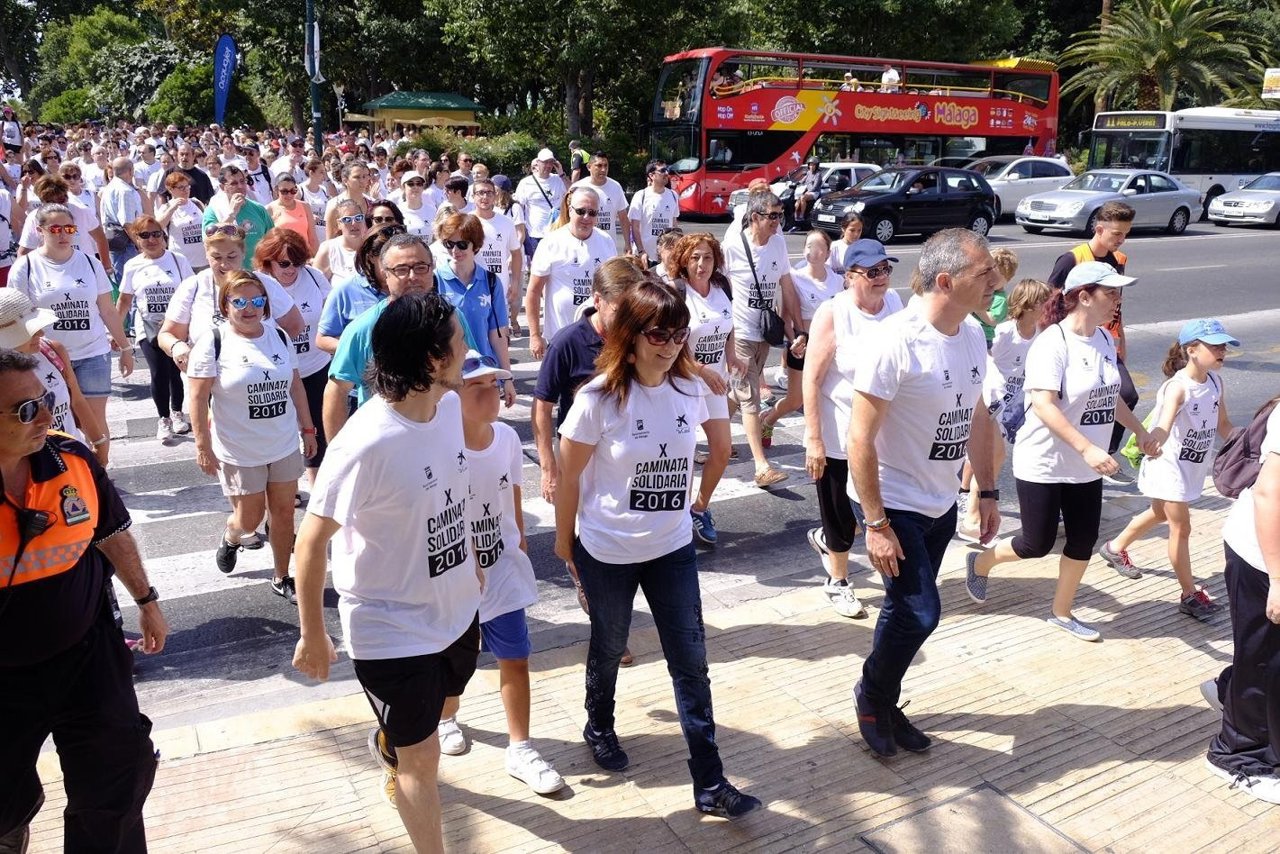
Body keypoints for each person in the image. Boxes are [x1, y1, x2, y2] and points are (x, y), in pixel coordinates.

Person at [554, 279, 762, 819]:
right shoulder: (597, 399)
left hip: (671, 548)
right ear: (631, 334)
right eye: (657, 333)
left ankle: (711, 783)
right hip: (607, 550)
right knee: (609, 645)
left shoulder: (694, 387)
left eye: (678, 333)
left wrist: (700, 502)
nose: (669, 344)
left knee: (691, 663)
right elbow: (569, 477)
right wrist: (564, 544)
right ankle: (599, 723)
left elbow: (722, 448)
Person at [293, 292, 482, 852]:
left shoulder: (448, 408)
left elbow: (453, 491)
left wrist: (469, 557)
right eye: (459, 341)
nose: (467, 347)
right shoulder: (363, 442)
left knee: (449, 708)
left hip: (455, 613)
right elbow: (309, 546)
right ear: (431, 360)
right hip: (390, 631)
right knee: (421, 761)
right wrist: (313, 633)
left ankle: (394, 739)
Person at [0, 348, 168, 854]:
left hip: (86, 653)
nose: (47, 416)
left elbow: (111, 533)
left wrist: (146, 598)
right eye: (26, 410)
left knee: (116, 779)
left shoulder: (71, 459)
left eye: (45, 400)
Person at [848, 228, 1002, 757]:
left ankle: (885, 702)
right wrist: (875, 524)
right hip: (893, 500)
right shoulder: (896, 341)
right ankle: (872, 696)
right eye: (984, 273)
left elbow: (978, 418)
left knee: (904, 609)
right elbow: (859, 437)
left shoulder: (974, 335)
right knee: (919, 611)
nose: (997, 281)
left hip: (940, 499)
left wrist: (987, 491)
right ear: (945, 280)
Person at [966, 262, 1159, 642]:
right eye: (1111, 293)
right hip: (1045, 462)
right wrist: (1087, 447)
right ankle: (982, 561)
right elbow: (1043, 404)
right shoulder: (1052, 342)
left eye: (1119, 292)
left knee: (1083, 539)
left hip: (1086, 465)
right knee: (1035, 544)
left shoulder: (1103, 339)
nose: (1117, 300)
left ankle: (1062, 611)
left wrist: (1141, 431)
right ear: (1083, 297)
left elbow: (1110, 395)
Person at [414, 349, 566, 794]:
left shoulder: (505, 440)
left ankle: (521, 747)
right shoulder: (438, 449)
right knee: (452, 662)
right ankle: (447, 717)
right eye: (476, 387)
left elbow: (512, 496)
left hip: (502, 571)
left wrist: (517, 538)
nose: (491, 395)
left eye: (495, 386)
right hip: (454, 576)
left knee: (515, 658)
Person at [187, 270, 316, 599]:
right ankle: (232, 537)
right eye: (239, 301)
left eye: (257, 300)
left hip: (283, 442)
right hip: (239, 450)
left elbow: (296, 384)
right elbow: (199, 397)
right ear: (225, 304)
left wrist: (308, 428)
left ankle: (281, 576)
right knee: (250, 518)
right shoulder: (213, 342)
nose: (249, 308)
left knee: (285, 513)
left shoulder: (280, 337)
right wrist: (202, 445)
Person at [1100, 319, 1237, 619]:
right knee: (1181, 527)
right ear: (1191, 350)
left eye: (1223, 345)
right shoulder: (1177, 388)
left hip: (1190, 466)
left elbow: (1224, 426)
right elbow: (1162, 426)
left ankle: (1114, 547)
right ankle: (1189, 595)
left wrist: (1254, 442)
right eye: (1214, 345)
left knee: (1160, 514)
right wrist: (1152, 443)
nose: (1222, 350)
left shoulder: (1215, 382)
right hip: (1168, 466)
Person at [802, 238, 904, 619]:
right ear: (849, 277)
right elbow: (810, 379)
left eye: (886, 270)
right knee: (842, 516)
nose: (881, 279)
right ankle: (838, 580)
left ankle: (829, 543)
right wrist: (813, 439)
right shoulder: (834, 313)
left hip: (880, 432)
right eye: (872, 272)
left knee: (876, 508)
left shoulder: (894, 305)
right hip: (839, 432)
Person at [8, 203, 133, 455]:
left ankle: (99, 474)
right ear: (39, 230)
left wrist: (126, 346)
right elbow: (17, 317)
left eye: (69, 228)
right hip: (45, 358)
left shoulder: (89, 263)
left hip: (92, 353)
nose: (63, 234)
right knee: (56, 419)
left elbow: (107, 309)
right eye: (55, 228)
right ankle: (64, 471)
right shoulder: (26, 266)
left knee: (95, 420)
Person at [1205, 391, 1280, 804]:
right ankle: (1237, 755)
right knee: (1266, 659)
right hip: (1262, 554)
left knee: (1263, 658)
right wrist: (1278, 578)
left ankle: (1227, 687)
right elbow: (1270, 495)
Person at [324, 233, 466, 437]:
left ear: (432, 267)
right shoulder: (362, 328)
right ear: (385, 274)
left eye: (420, 267)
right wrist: (337, 455)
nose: (412, 277)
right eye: (401, 269)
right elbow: (337, 391)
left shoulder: (453, 319)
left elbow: (468, 376)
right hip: (384, 442)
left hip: (444, 437)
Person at [956, 278, 1053, 540]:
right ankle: (971, 516)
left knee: (990, 459)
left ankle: (968, 501)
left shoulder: (1039, 334)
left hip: (1016, 405)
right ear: (1030, 304)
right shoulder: (1006, 332)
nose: (1048, 307)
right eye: (1044, 302)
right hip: (991, 403)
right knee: (992, 459)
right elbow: (983, 360)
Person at [1047, 201, 1138, 471]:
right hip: (1074, 343)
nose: (1122, 240)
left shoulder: (1118, 261)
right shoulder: (1071, 259)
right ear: (1099, 229)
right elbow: (1051, 302)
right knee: (1071, 400)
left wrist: (1120, 341)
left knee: (1126, 394)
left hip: (1106, 341)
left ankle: (1105, 451)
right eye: (1117, 234)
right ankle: (1075, 448)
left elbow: (1117, 306)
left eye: (1125, 234)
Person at [721, 191, 799, 488]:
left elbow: (786, 285)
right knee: (749, 397)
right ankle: (761, 466)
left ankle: (717, 441)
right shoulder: (732, 246)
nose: (779, 222)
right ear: (754, 218)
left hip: (765, 331)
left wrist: (794, 330)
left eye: (781, 215)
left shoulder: (778, 243)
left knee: (737, 392)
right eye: (773, 216)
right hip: (740, 331)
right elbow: (719, 286)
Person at [672, 234, 742, 546]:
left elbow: (727, 328)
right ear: (684, 262)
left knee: (723, 450)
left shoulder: (722, 288)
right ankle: (675, 519)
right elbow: (671, 345)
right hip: (683, 383)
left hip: (715, 383)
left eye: (708, 258)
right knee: (683, 456)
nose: (701, 264)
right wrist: (701, 370)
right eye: (695, 258)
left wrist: (731, 356)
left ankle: (699, 508)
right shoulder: (676, 293)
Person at [158, 225, 304, 375]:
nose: (224, 264)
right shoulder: (192, 286)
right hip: (207, 381)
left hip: (257, 380)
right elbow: (166, 334)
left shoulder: (265, 284)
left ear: (243, 253)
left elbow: (295, 325)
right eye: (217, 257)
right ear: (206, 254)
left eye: (231, 256)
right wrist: (177, 346)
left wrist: (270, 350)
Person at [253, 229, 332, 486]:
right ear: (268, 261)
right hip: (276, 371)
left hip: (315, 365)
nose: (291, 269)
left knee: (316, 428)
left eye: (297, 262)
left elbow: (331, 316)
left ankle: (317, 486)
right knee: (281, 430)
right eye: (284, 263)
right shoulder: (258, 284)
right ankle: (285, 486)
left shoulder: (315, 277)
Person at [116, 215, 196, 443]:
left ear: (164, 236)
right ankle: (164, 418)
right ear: (136, 239)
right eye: (145, 235)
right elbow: (124, 301)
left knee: (175, 371)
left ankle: (178, 412)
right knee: (158, 372)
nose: (151, 239)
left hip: (176, 327)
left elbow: (192, 291)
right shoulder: (133, 265)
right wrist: (116, 331)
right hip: (147, 327)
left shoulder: (178, 260)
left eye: (156, 234)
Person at [0, 290, 106, 457]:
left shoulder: (52, 351)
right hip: (27, 467)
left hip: (72, 456)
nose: (41, 333)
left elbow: (77, 401)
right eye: (31, 330)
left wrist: (99, 442)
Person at [760, 230, 840, 448]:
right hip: (802, 347)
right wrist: (794, 340)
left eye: (818, 247)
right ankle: (767, 419)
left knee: (828, 396)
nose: (812, 251)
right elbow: (786, 316)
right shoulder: (795, 278)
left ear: (827, 253)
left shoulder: (838, 281)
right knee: (796, 399)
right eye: (808, 246)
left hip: (831, 349)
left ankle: (826, 444)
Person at [525, 187, 617, 360]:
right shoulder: (551, 242)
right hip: (560, 338)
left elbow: (614, 289)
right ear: (570, 209)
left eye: (592, 212)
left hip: (598, 337)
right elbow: (534, 291)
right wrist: (535, 335)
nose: (586, 218)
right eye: (581, 211)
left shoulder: (606, 241)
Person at [435, 213, 514, 402]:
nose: (456, 250)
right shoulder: (433, 280)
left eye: (462, 244)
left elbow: (497, 335)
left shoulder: (491, 281)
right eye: (449, 244)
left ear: (476, 246)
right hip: (447, 374)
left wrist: (508, 378)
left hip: (482, 372)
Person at [315, 225, 404, 355]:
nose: (396, 266)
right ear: (371, 256)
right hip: (362, 372)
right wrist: (359, 349)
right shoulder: (345, 290)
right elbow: (322, 340)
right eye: (388, 260)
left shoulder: (412, 286)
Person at [471, 178, 523, 336]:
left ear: (495, 196)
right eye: (480, 193)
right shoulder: (467, 221)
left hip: (500, 287)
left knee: (500, 335)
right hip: (474, 287)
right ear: (473, 196)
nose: (484, 197)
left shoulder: (506, 222)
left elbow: (516, 253)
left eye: (488, 193)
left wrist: (514, 283)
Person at [202, 165, 275, 266]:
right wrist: (232, 213)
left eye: (242, 181)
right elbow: (209, 240)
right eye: (234, 183)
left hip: (259, 271)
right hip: (230, 273)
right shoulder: (213, 210)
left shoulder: (258, 208)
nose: (240, 186)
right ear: (222, 187)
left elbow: (273, 239)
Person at [569, 152, 629, 251]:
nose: (603, 169)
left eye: (606, 166)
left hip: (607, 246)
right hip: (583, 246)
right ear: (589, 167)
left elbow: (623, 217)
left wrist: (627, 243)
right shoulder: (577, 187)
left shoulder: (615, 187)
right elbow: (568, 216)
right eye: (599, 166)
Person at [100, 157, 147, 282]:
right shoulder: (125, 191)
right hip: (126, 243)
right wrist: (140, 244)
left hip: (115, 240)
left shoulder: (109, 188)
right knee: (130, 282)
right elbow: (127, 223)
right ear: (131, 171)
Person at [513, 149, 565, 260]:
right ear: (538, 163)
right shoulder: (526, 183)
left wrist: (561, 173)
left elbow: (572, 191)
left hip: (557, 232)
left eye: (551, 162)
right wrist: (520, 230)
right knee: (538, 267)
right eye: (545, 162)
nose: (548, 165)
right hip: (536, 234)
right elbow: (518, 207)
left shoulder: (558, 180)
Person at [155, 170, 208, 271]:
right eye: (181, 187)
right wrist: (172, 208)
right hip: (181, 262)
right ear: (170, 189)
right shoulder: (166, 207)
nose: (186, 190)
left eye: (187, 186)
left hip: (203, 260)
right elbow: (158, 227)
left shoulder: (196, 203)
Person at [312, 198, 367, 283]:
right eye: (347, 220)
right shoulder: (328, 249)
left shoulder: (373, 247)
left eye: (358, 218)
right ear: (339, 224)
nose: (354, 223)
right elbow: (316, 285)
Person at [266, 174, 316, 254]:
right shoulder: (269, 209)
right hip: (282, 258)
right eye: (284, 191)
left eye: (293, 191)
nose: (289, 195)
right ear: (276, 190)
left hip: (304, 257)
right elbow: (268, 241)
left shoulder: (305, 206)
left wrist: (315, 258)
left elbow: (312, 237)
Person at [323, 161, 372, 240]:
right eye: (357, 177)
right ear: (345, 180)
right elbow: (329, 240)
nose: (362, 181)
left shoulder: (372, 204)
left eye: (365, 176)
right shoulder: (334, 205)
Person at [791, 157, 824, 230]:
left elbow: (815, 186)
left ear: (816, 166)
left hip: (814, 192)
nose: (811, 167)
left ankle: (802, 215)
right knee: (797, 200)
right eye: (810, 165)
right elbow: (803, 180)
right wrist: (795, 183)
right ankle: (796, 216)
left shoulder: (818, 174)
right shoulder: (808, 172)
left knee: (803, 197)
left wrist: (808, 191)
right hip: (807, 192)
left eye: (813, 165)